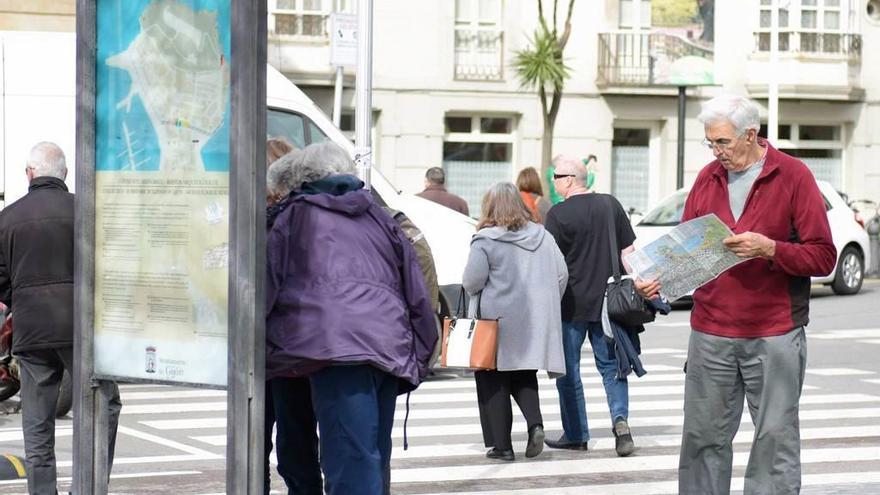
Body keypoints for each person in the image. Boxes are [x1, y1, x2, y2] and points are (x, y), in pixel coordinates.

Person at [639, 94, 835, 494]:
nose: (716, 152)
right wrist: (657, 277)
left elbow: (823, 256)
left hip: (775, 332)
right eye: (710, 142)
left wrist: (771, 249)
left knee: (774, 440)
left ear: (751, 134)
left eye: (723, 143)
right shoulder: (707, 177)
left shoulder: (794, 176)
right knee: (702, 438)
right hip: (711, 331)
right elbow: (686, 249)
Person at [266, 142, 437, 495]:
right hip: (386, 345)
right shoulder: (379, 215)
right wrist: (418, 356)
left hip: (335, 348)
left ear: (301, 179)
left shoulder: (293, 216)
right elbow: (417, 288)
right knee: (371, 456)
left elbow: (266, 288)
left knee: (350, 462)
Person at [0, 142, 122, 495]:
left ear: (29, 174)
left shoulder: (7, 218)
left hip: (32, 333)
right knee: (104, 405)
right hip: (80, 330)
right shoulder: (86, 212)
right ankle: (89, 487)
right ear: (65, 175)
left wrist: (23, 299)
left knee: (37, 424)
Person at [462, 182, 567, 462]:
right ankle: (535, 424)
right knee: (524, 373)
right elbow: (561, 274)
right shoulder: (542, 236)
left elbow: (472, 281)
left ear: (490, 207)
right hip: (533, 320)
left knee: (493, 380)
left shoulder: (485, 240)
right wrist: (545, 302)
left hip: (495, 322)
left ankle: (503, 447)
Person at [542, 155, 638, 457]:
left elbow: (551, 263)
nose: (554, 182)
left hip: (570, 303)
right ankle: (620, 422)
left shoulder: (557, 215)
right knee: (611, 366)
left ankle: (576, 433)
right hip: (610, 301)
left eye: (556, 177)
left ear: (569, 180)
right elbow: (629, 252)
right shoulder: (610, 204)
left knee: (568, 370)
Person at [263, 138, 323, 495]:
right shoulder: (288, 219)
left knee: (291, 441)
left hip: (285, 349)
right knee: (291, 440)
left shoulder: (285, 222)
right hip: (285, 347)